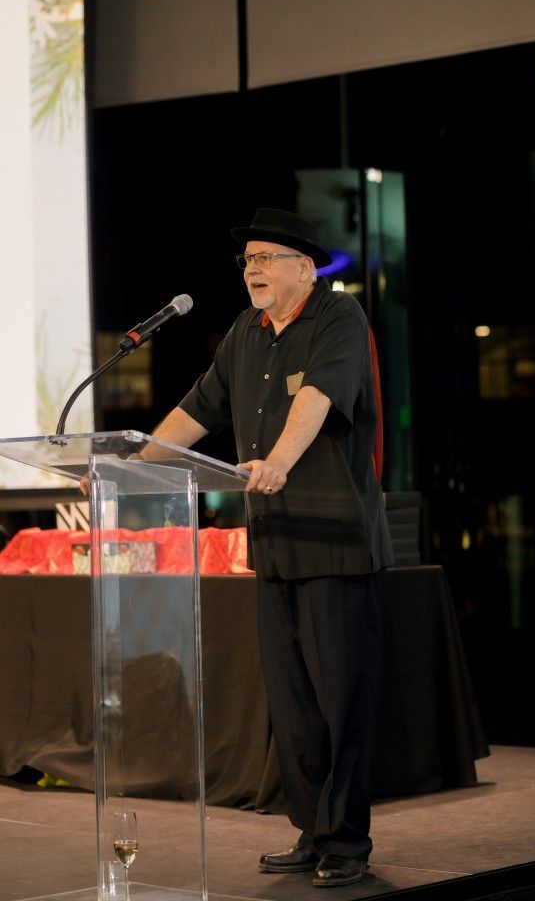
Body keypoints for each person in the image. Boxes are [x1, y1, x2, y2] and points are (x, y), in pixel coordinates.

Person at [145, 208, 393, 888]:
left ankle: (346, 843)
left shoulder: (337, 318)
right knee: (294, 707)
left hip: (336, 542)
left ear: (304, 267)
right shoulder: (245, 336)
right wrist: (136, 461)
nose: (251, 269)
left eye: (264, 257)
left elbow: (316, 398)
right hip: (277, 545)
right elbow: (197, 409)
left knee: (343, 702)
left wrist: (280, 460)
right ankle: (312, 832)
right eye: (246, 260)